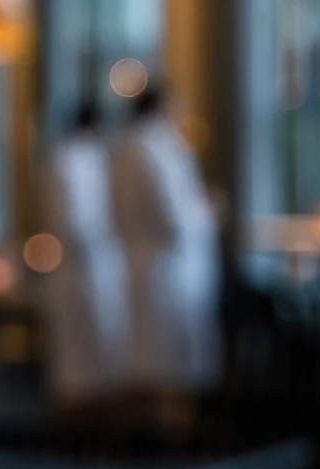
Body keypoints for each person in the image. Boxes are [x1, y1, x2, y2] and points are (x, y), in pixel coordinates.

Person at [111, 85, 222, 400]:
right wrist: (208, 211)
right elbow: (174, 218)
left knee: (148, 361)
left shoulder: (125, 148)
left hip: (142, 267)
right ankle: (171, 439)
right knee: (167, 368)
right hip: (167, 270)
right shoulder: (158, 149)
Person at [39, 101, 131, 410]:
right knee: (80, 364)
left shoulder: (93, 159)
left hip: (98, 267)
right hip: (81, 269)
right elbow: (75, 223)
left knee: (99, 359)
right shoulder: (70, 160)